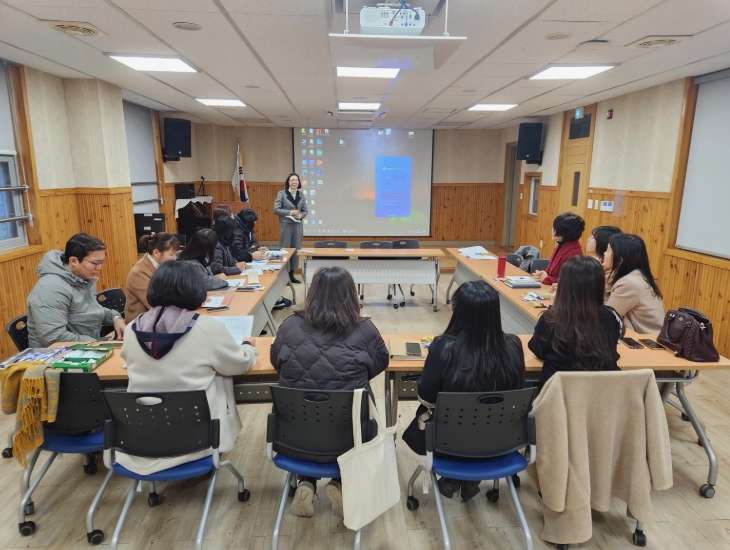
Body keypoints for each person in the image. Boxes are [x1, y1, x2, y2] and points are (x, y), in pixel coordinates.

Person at [118, 261, 258, 475]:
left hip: (143, 437)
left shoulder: (131, 329)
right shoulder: (206, 328)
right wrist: (248, 347)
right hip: (199, 438)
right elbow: (239, 364)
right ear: (195, 289)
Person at [270, 266, 389, 519]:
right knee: (343, 418)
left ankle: (306, 482)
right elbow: (380, 363)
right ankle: (340, 483)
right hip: (351, 438)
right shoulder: (365, 330)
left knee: (311, 416)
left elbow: (276, 361)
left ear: (312, 293)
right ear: (351, 295)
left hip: (294, 437)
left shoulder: (289, 326)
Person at [402, 280, 525, 503]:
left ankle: (457, 475)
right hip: (500, 441)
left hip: (449, 442)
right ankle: (467, 478)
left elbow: (426, 395)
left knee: (427, 413)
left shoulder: (443, 347)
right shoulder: (514, 345)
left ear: (459, 312)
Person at [528, 255, 623, 386]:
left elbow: (537, 349)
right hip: (601, 394)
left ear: (564, 285)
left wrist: (553, 308)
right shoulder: (610, 317)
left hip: (560, 394)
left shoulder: (552, 318)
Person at [26, 233, 126, 347]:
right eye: (94, 263)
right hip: (58, 354)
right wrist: (98, 344)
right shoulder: (51, 289)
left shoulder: (81, 278)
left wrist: (115, 318)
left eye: (102, 262)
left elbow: (89, 310)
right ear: (73, 261)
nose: (99, 268)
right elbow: (54, 338)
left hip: (85, 345)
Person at [604, 233, 665, 333]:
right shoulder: (636, 275)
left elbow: (607, 317)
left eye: (607, 250)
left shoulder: (629, 283)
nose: (604, 254)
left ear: (619, 260)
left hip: (645, 339)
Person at [125, 233, 181, 323]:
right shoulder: (138, 273)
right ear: (156, 253)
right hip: (140, 323)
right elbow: (154, 304)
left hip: (158, 318)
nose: (174, 258)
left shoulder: (162, 266)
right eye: (171, 255)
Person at [274, 173, 308, 284]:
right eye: (292, 180)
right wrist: (290, 212)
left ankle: (291, 275)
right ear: (288, 182)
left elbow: (305, 210)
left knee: (295, 250)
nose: (294, 182)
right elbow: (276, 209)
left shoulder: (301, 195)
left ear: (299, 183)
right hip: (286, 225)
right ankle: (284, 276)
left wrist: (301, 215)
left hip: (297, 226)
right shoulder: (282, 194)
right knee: (285, 250)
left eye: (296, 180)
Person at [533, 212, 585, 286]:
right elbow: (549, 273)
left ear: (563, 233)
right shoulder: (560, 247)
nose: (552, 230)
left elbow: (570, 281)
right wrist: (541, 275)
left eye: (555, 228)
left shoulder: (573, 254)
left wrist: (547, 279)